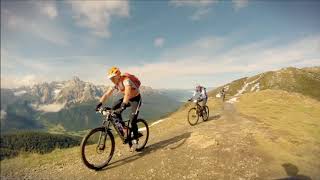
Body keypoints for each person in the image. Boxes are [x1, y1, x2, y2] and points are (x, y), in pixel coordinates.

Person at [96, 66, 142, 152]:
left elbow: (127, 93)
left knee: (132, 120)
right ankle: (125, 129)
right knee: (113, 109)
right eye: (110, 78)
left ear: (118, 75)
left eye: (113, 77)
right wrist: (99, 103)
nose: (112, 79)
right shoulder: (115, 84)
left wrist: (123, 105)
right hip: (127, 99)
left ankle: (136, 141)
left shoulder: (126, 80)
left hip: (135, 99)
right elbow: (107, 94)